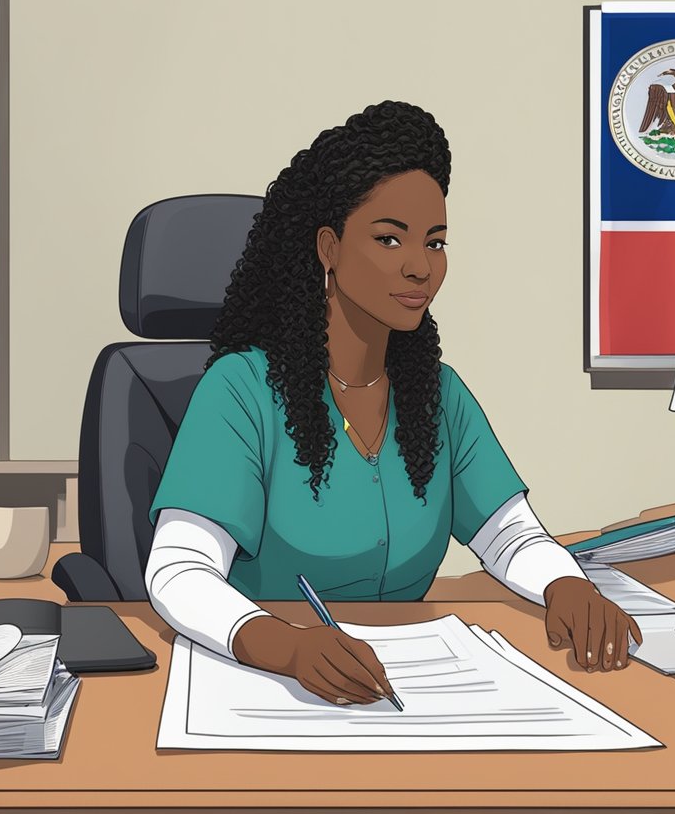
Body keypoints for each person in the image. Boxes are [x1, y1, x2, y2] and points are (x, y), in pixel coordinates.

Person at [145, 100, 640, 707]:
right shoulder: (242, 390)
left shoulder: (438, 394)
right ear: (328, 247)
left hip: (413, 683)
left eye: (435, 243)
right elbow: (177, 571)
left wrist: (567, 585)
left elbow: (508, 536)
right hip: (270, 683)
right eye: (388, 239)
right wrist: (287, 646)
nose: (419, 268)